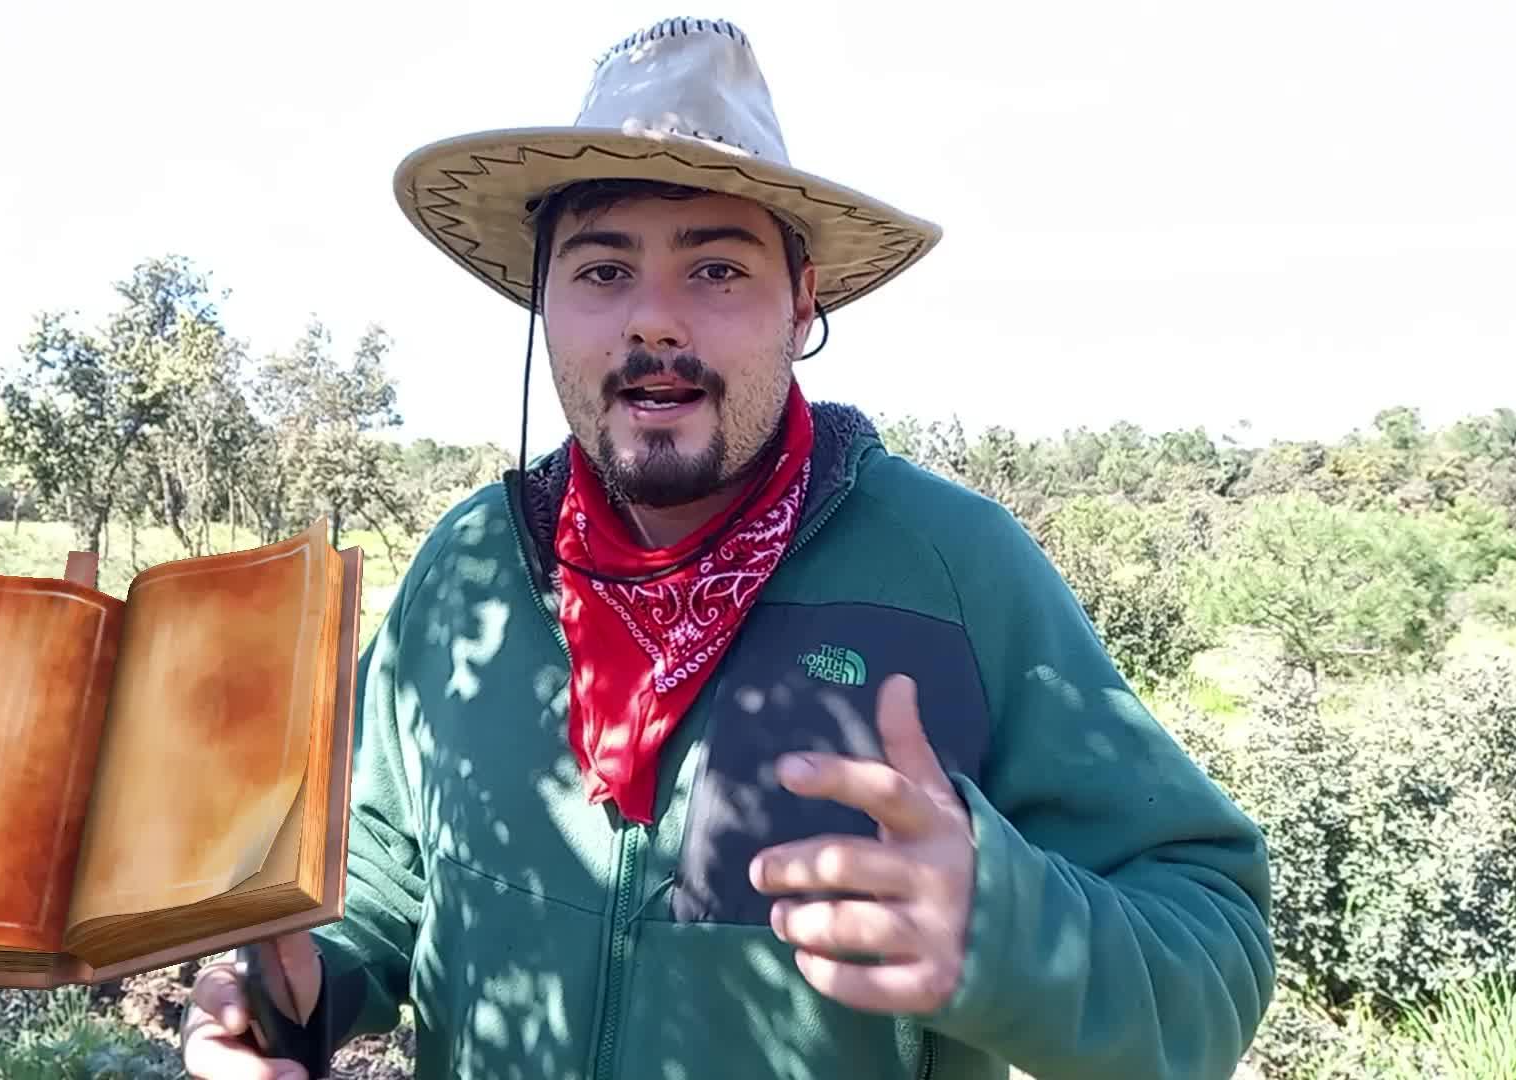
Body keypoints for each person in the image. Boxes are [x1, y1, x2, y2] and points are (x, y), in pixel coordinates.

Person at [184, 16, 1275, 1080]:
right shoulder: (470, 570)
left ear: (803, 304)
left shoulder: (954, 570)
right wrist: (294, 990)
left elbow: (1211, 950)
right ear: (542, 305)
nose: (655, 322)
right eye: (602, 271)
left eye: (716, 269)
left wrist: (1008, 932)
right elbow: (383, 869)